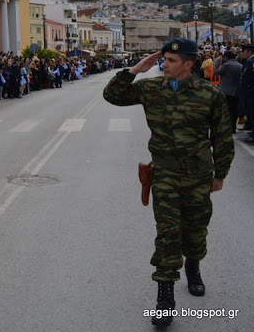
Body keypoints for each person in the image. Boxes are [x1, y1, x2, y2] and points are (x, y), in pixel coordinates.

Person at [103, 38, 234, 328]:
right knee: (167, 234)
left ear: (188, 64)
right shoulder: (151, 88)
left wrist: (220, 174)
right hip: (164, 174)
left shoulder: (209, 94)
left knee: (196, 230)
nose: (165, 64)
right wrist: (135, 69)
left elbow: (222, 138)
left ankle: (194, 265)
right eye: (164, 59)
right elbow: (112, 95)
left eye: (172, 61)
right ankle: (165, 298)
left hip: (198, 176)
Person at [214, 50, 242, 134]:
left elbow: (216, 72)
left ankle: (227, 127)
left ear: (226, 57)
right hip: (236, 91)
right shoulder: (240, 65)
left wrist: (217, 63)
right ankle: (233, 127)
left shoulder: (226, 65)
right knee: (234, 110)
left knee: (226, 110)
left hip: (226, 91)